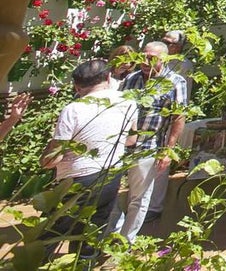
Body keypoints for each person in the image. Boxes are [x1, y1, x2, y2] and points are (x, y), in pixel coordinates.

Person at [41, 59, 137, 261]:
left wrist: (44, 160)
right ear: (108, 77)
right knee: (90, 235)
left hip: (77, 180)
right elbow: (131, 140)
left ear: (77, 86)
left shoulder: (73, 109)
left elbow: (53, 157)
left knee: (49, 234)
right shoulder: (128, 102)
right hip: (111, 174)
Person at [111, 40, 187, 243]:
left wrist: (167, 151)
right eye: (144, 56)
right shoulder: (132, 79)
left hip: (149, 146)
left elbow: (178, 117)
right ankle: (115, 230)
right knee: (110, 192)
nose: (145, 61)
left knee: (139, 197)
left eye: (151, 58)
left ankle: (125, 241)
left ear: (163, 59)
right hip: (121, 145)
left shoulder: (174, 81)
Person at [149, 30, 195, 219]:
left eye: (169, 42)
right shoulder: (153, 61)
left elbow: (180, 96)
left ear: (178, 46)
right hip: (149, 117)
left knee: (162, 161)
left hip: (168, 115)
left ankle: (154, 207)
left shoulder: (183, 66)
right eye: (164, 41)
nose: (166, 45)